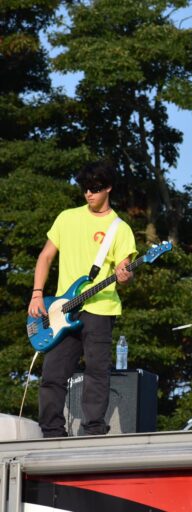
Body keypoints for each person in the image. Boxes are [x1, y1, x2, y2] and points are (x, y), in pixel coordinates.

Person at [28, 161, 137, 437]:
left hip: (100, 307)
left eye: (95, 189)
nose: (88, 193)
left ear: (109, 188)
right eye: (85, 188)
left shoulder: (119, 228)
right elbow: (45, 256)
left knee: (97, 372)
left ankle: (93, 431)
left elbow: (125, 267)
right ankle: (51, 431)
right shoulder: (67, 217)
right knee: (52, 373)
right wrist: (37, 293)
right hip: (62, 309)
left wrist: (126, 276)